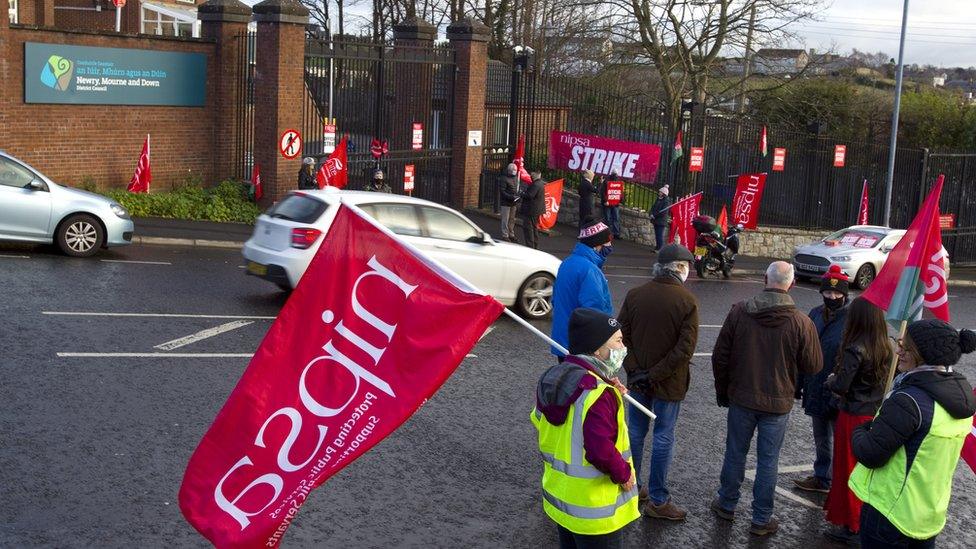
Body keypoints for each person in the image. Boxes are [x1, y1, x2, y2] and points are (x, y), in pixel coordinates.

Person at [710, 261, 823, 536]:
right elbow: (814, 365)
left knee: (735, 453)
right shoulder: (801, 321)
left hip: (742, 397)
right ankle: (761, 519)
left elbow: (719, 356)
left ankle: (727, 503)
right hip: (778, 401)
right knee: (768, 461)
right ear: (792, 284)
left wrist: (723, 391)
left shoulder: (739, 312)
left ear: (764, 279)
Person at [849, 319, 976, 548]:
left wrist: (859, 429)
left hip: (889, 513)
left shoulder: (909, 400)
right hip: (927, 513)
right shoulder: (963, 398)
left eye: (905, 347)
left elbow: (869, 454)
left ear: (924, 355)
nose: (898, 351)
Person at [531, 307, 640, 548]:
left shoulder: (554, 377)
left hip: (562, 497)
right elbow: (599, 449)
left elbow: (541, 419)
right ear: (597, 349)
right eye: (618, 341)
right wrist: (623, 474)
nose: (623, 348)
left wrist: (604, 382)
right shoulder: (599, 393)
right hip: (594, 510)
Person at [618, 244, 698, 521]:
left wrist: (636, 371)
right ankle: (659, 500)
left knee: (635, 434)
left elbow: (620, 337)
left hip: (638, 381)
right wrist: (654, 374)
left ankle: (633, 487)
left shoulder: (635, 294)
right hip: (669, 384)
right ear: (679, 268)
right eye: (686, 266)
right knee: (663, 437)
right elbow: (684, 350)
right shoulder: (687, 301)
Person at [818, 296, 890, 545]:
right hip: (874, 412)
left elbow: (841, 385)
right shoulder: (886, 345)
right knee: (865, 470)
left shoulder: (855, 347)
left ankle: (852, 524)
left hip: (852, 414)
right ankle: (860, 520)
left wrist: (830, 379)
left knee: (847, 469)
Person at [793, 265, 851, 495]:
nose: (832, 297)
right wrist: (798, 384)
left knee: (841, 438)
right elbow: (802, 350)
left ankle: (840, 481)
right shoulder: (815, 314)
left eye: (837, 294)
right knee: (821, 437)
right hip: (815, 383)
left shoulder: (852, 318)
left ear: (845, 294)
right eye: (828, 293)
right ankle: (822, 476)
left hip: (839, 387)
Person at [550, 218, 614, 358]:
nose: (610, 245)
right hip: (582, 346)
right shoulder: (590, 270)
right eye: (608, 241)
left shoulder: (567, 263)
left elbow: (555, 300)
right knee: (585, 380)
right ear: (597, 244)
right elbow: (595, 313)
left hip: (564, 340)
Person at [520, 170, 546, 249]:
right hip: (537, 210)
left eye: (531, 175)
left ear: (534, 175)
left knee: (528, 228)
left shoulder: (535, 185)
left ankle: (530, 246)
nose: (530, 176)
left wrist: (522, 193)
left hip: (531, 210)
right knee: (534, 228)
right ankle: (535, 245)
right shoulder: (541, 183)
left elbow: (530, 195)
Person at [498, 163, 521, 242]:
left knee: (512, 219)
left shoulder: (515, 177)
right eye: (513, 170)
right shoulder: (504, 178)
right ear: (509, 170)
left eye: (515, 170)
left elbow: (516, 188)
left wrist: (517, 195)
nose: (514, 172)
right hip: (506, 202)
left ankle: (511, 234)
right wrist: (511, 197)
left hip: (513, 202)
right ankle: (505, 234)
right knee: (505, 219)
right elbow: (502, 191)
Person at [601, 170, 624, 240]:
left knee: (613, 219)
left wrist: (620, 199)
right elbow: (603, 192)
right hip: (609, 203)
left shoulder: (618, 182)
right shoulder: (607, 181)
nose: (615, 175)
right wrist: (605, 200)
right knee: (609, 219)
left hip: (614, 203)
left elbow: (620, 192)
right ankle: (608, 233)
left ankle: (615, 234)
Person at [649, 186, 671, 252]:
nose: (659, 193)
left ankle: (659, 248)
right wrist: (651, 213)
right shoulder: (658, 199)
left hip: (661, 221)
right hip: (656, 220)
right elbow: (653, 207)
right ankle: (657, 247)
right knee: (657, 234)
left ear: (663, 193)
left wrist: (654, 215)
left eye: (660, 192)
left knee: (659, 235)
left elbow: (663, 212)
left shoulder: (666, 201)